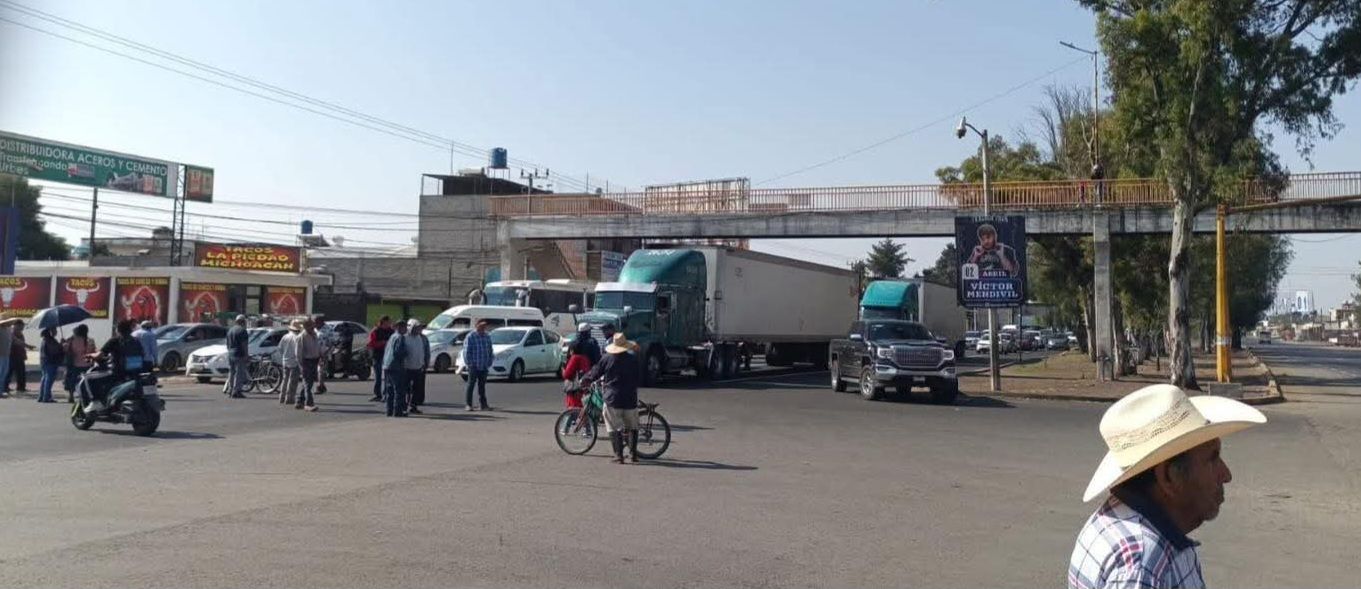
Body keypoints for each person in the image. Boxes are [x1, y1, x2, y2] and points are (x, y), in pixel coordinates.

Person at [1068, 384, 1266, 589]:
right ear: (1168, 477)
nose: (1226, 475)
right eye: (1212, 458)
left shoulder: (1121, 518)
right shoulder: (1142, 566)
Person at [582, 333, 642, 464]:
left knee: (613, 427)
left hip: (613, 398)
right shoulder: (633, 359)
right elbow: (638, 377)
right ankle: (633, 455)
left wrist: (586, 379)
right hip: (630, 398)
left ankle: (618, 455)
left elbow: (596, 372)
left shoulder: (607, 358)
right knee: (633, 427)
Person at [85, 320, 147, 413]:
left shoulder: (115, 340)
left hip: (117, 372)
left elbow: (99, 355)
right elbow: (143, 354)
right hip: (134, 373)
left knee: (89, 378)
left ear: (118, 329)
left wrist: (90, 355)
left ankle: (95, 401)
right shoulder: (136, 341)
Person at [462, 320, 494, 411]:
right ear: (476, 325)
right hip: (474, 365)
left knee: (482, 386)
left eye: (484, 326)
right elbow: (466, 352)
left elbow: (490, 350)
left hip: (484, 365)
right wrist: (470, 363)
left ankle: (483, 405)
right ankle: (468, 404)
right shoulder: (471, 336)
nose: (483, 327)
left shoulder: (487, 336)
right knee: (471, 385)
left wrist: (489, 361)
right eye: (481, 325)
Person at [381, 319, 410, 417]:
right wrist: (406, 353)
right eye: (405, 327)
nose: (406, 329)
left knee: (390, 389)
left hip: (387, 365)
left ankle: (389, 410)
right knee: (399, 389)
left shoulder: (392, 336)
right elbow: (398, 352)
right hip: (396, 366)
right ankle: (397, 411)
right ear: (400, 327)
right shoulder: (400, 337)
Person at [62, 324, 96, 403]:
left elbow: (65, 349)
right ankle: (85, 396)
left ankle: (71, 396)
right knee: (86, 382)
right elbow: (93, 351)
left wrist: (64, 343)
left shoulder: (72, 340)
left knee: (72, 381)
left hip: (75, 364)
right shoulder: (90, 340)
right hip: (87, 364)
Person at [561, 335, 593, 409]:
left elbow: (567, 375)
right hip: (584, 388)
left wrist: (563, 370)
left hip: (575, 390)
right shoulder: (585, 358)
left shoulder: (575, 358)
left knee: (573, 409)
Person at [366, 316, 394, 402]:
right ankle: (377, 394)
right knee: (378, 377)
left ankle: (386, 394)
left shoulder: (392, 331)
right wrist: (382, 343)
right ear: (382, 322)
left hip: (388, 357)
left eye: (389, 322)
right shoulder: (375, 331)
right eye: (387, 322)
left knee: (387, 377)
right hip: (377, 356)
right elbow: (370, 343)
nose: (388, 324)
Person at [296, 319, 322, 411]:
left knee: (308, 383)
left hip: (314, 360)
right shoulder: (301, 337)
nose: (313, 327)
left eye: (313, 325)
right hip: (306, 361)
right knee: (308, 383)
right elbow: (298, 353)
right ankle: (309, 403)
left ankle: (300, 401)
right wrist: (301, 365)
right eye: (311, 325)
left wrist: (321, 356)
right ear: (306, 326)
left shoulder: (314, 334)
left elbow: (318, 347)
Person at [405, 320, 429, 415]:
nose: (418, 330)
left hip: (418, 367)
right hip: (407, 367)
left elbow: (422, 352)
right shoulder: (405, 338)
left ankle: (413, 406)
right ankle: (404, 406)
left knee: (417, 389)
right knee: (406, 388)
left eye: (419, 328)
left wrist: (423, 363)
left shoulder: (420, 338)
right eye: (416, 328)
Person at [223, 315, 250, 399]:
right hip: (239, 354)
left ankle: (230, 389)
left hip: (231, 354)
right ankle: (237, 391)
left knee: (231, 372)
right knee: (239, 373)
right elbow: (244, 344)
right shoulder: (242, 331)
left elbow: (227, 344)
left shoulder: (230, 330)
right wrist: (246, 355)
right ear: (243, 322)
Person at [278, 320, 302, 406]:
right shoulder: (297, 338)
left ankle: (282, 397)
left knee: (285, 380)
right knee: (292, 381)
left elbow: (280, 348)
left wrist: (284, 356)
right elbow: (298, 351)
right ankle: (289, 398)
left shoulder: (285, 336)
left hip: (285, 360)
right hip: (294, 361)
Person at [36, 328, 63, 403]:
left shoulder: (44, 340)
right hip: (50, 361)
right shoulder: (50, 340)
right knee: (49, 379)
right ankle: (46, 397)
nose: (56, 332)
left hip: (44, 361)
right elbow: (55, 350)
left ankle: (41, 396)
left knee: (44, 378)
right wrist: (61, 345)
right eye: (54, 330)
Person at [7, 320, 33, 393]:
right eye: (22, 326)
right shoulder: (12, 333)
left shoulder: (20, 334)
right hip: (13, 356)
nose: (23, 327)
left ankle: (21, 387)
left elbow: (21, 343)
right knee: (9, 372)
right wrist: (28, 346)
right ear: (17, 325)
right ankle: (5, 386)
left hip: (20, 356)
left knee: (21, 372)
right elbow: (17, 342)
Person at [313, 318, 329, 394]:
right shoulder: (314, 330)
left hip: (323, 353)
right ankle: (322, 385)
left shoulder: (328, 330)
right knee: (318, 371)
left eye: (316, 322)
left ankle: (320, 387)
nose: (314, 324)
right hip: (313, 353)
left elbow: (332, 342)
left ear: (321, 322)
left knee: (320, 370)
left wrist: (326, 353)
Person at [0, 314, 14, 398]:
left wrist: (26, 345)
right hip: (0, 355)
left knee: (4, 374)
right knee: (1, 374)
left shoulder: (9, 330)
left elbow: (14, 339)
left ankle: (1, 391)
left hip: (6, 355)